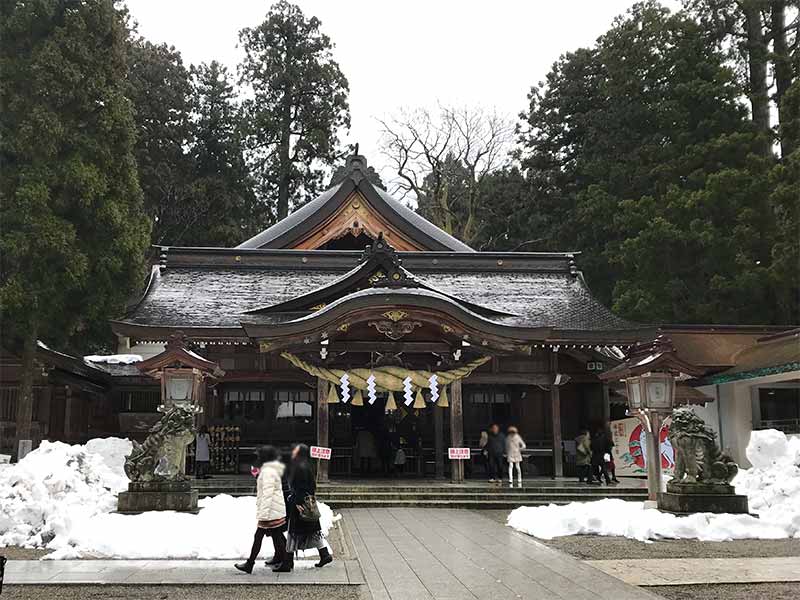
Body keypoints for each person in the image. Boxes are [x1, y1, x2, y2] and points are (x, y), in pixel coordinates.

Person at [276, 443, 332, 572]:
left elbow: (301, 488)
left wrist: (296, 502)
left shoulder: (300, 467)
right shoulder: (306, 465)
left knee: (293, 533)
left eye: (295, 450)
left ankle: (287, 562)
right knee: (311, 532)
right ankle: (324, 554)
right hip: (307, 504)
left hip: (301, 504)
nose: (293, 451)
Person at [234, 446, 287, 574]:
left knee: (260, 536)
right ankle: (286, 561)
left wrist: (263, 514)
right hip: (275, 509)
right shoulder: (270, 470)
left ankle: (250, 563)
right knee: (277, 536)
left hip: (270, 510)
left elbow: (267, 494)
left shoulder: (268, 471)